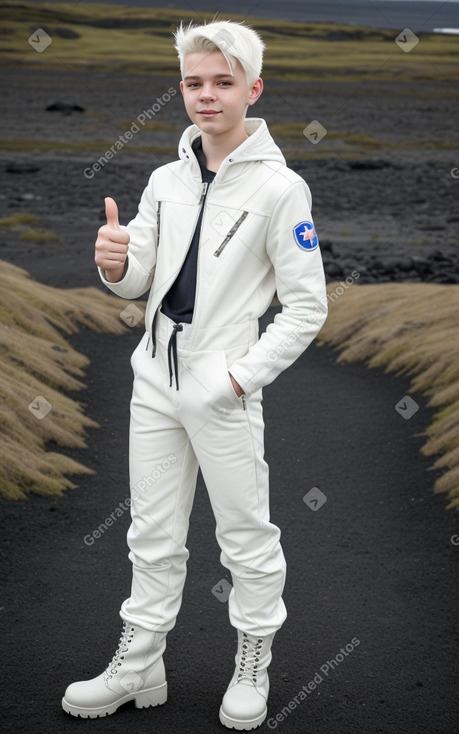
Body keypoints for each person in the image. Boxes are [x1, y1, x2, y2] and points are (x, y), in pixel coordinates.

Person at [62, 18, 327, 730]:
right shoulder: (163, 179)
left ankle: (253, 663)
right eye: (192, 82)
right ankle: (139, 663)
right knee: (149, 531)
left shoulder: (281, 190)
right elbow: (139, 280)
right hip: (154, 376)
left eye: (222, 82)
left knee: (243, 533)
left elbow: (307, 308)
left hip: (221, 385)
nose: (206, 96)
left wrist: (240, 380)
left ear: (252, 88)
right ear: (180, 87)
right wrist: (113, 265)